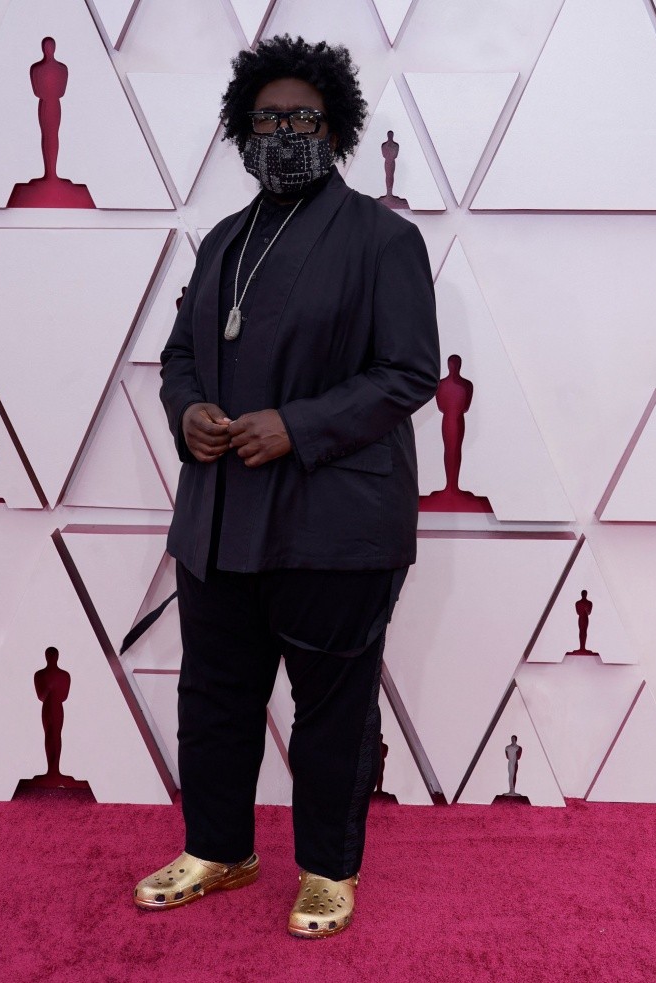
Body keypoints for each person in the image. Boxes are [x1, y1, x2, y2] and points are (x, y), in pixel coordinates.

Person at [134, 35, 440, 938]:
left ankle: (328, 869)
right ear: (243, 130)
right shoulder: (224, 241)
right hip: (219, 519)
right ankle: (219, 848)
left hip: (335, 523)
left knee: (332, 711)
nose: (284, 133)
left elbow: (408, 372)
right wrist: (189, 410)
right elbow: (181, 355)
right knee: (213, 698)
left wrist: (296, 426)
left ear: (335, 127)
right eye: (266, 120)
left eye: (303, 117)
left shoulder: (385, 239)